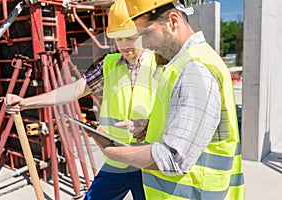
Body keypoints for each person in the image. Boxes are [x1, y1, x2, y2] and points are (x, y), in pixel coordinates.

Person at [89, 0, 245, 199]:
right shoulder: (182, 64)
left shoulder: (195, 69)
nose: (143, 44)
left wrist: (113, 151)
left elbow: (172, 158)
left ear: (173, 21)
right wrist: (152, 125)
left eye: (146, 34)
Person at [5, 0, 157, 199]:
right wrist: (25, 103)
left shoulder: (160, 64)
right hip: (117, 160)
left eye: (130, 37)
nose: (125, 46)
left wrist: (149, 124)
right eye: (119, 39)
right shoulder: (109, 64)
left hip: (147, 162)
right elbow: (76, 90)